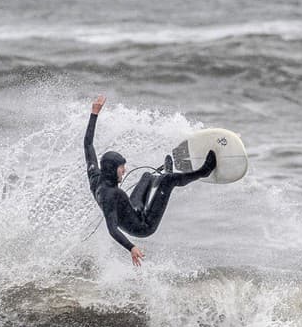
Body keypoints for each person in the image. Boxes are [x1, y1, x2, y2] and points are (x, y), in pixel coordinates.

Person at [84, 95, 216, 266]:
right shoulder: (109, 196)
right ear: (111, 169)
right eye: (121, 168)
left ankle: (163, 177)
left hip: (133, 209)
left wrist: (94, 113)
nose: (124, 170)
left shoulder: (95, 175)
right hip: (143, 225)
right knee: (168, 181)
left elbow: (88, 145)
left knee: (146, 176)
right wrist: (131, 247)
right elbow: (112, 229)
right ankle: (203, 171)